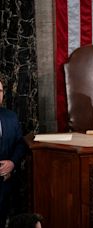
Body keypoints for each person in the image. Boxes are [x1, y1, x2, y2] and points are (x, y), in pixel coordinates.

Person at [0, 77, 28, 228]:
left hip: (6, 185)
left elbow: (20, 144)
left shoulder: (10, 117)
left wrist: (12, 163)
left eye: (0, 91)